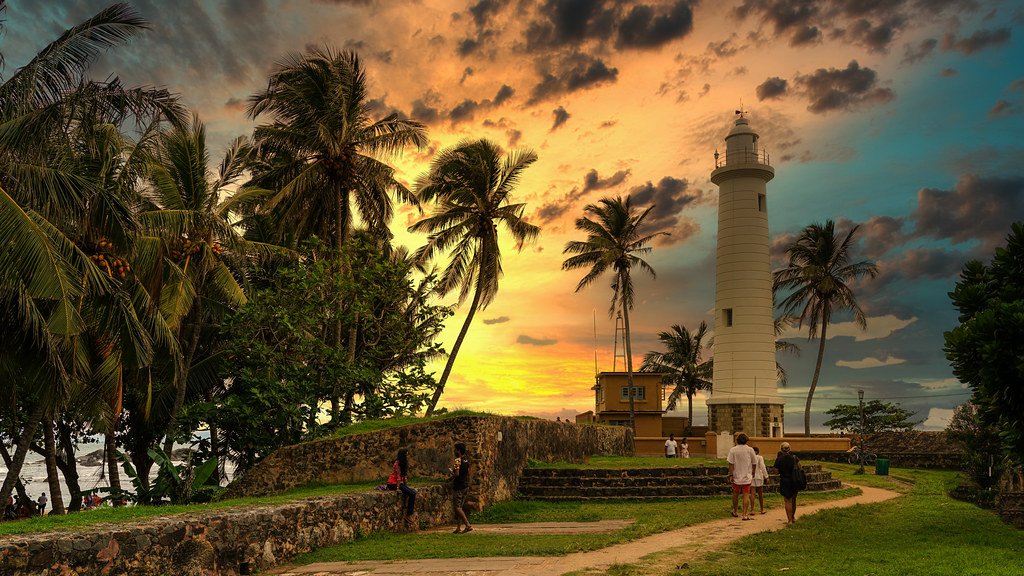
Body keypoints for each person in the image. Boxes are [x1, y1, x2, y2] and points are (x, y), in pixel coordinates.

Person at [727, 432, 758, 520]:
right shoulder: (750, 450)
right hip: (747, 475)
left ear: (737, 440)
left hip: (736, 475)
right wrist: (753, 472)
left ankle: (735, 511)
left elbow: (731, 464)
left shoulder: (733, 450)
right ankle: (744, 514)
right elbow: (754, 463)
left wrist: (731, 475)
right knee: (746, 494)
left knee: (735, 494)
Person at [773, 442, 803, 524]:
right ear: (789, 449)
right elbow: (800, 468)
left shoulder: (779, 459)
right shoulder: (794, 458)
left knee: (787, 501)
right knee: (793, 500)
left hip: (785, 480)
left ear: (781, 449)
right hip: (794, 480)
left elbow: (776, 472)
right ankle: (792, 517)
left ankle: (789, 520)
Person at [387, 448, 417, 527]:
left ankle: (409, 514)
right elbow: (398, 477)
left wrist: (406, 487)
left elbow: (404, 476)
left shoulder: (404, 464)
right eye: (406, 455)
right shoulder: (397, 464)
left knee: (412, 493)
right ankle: (409, 514)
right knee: (412, 494)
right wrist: (397, 488)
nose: (407, 457)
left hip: (398, 483)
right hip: (392, 483)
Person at [449, 442, 473, 534]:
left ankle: (467, 525)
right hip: (465, 485)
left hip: (458, 486)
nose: (454, 451)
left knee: (457, 507)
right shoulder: (466, 460)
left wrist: (449, 478)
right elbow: (467, 472)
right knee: (460, 508)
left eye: (455, 449)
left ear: (458, 450)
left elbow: (457, 474)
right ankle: (458, 528)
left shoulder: (457, 461)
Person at [750, 446, 769, 514]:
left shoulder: (750, 458)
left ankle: (752, 510)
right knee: (760, 494)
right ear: (758, 452)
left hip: (751, 476)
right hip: (759, 476)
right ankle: (762, 509)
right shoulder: (759, 457)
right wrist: (766, 476)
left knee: (752, 493)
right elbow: (762, 467)